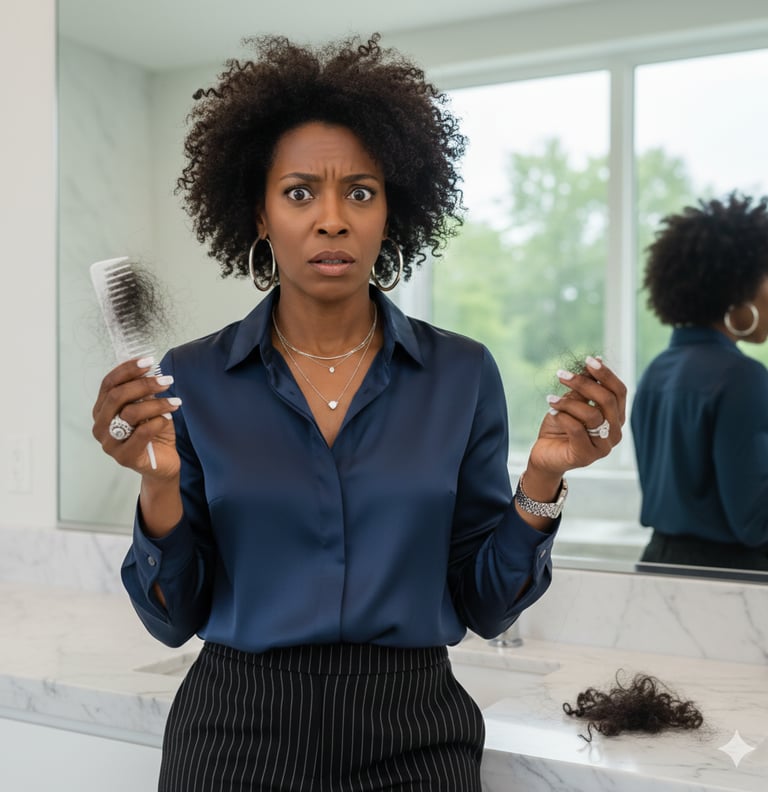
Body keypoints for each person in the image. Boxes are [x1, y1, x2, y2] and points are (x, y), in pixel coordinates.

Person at [91, 33, 626, 792]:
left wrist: (543, 478)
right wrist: (157, 489)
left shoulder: (462, 373)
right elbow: (173, 617)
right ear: (260, 214)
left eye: (361, 193)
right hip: (234, 734)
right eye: (300, 192)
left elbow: (486, 605)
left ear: (391, 213)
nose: (332, 219)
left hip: (414, 736)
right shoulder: (191, 379)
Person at [632, 193, 768, 573]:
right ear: (738, 287)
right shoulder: (743, 377)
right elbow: (756, 522)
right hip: (727, 580)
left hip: (657, 565)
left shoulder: (657, 369)